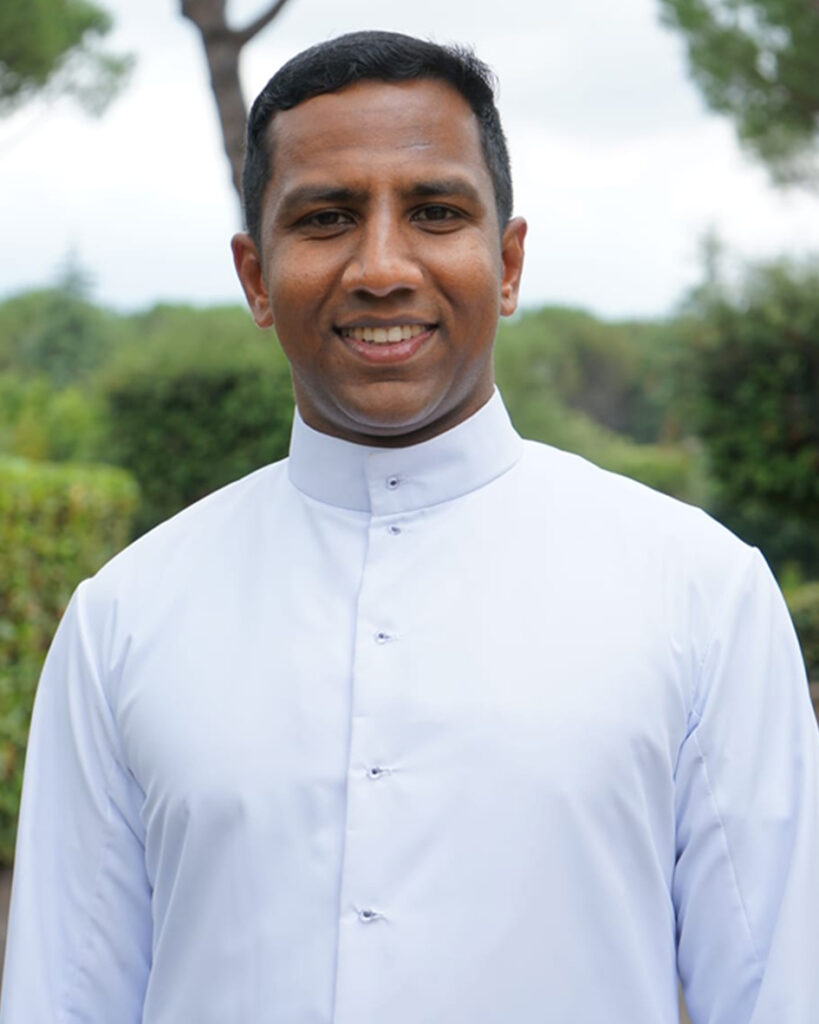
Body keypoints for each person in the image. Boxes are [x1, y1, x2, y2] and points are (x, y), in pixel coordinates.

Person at [1, 29, 817, 1024]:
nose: (381, 266)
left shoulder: (702, 594)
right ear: (255, 277)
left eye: (435, 212)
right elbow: (62, 999)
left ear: (507, 263)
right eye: (326, 218)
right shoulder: (122, 621)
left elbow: (782, 991)